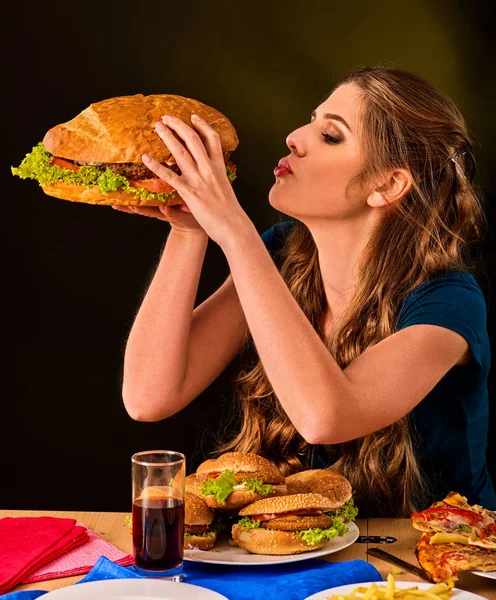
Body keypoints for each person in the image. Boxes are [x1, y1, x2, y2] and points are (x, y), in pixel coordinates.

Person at [114, 66, 496, 517]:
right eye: (311, 120)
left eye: (331, 135)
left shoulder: (449, 302)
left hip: (438, 562)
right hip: (304, 550)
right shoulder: (280, 254)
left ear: (388, 185)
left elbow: (326, 419)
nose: (295, 137)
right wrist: (189, 231)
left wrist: (233, 231)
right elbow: (149, 396)